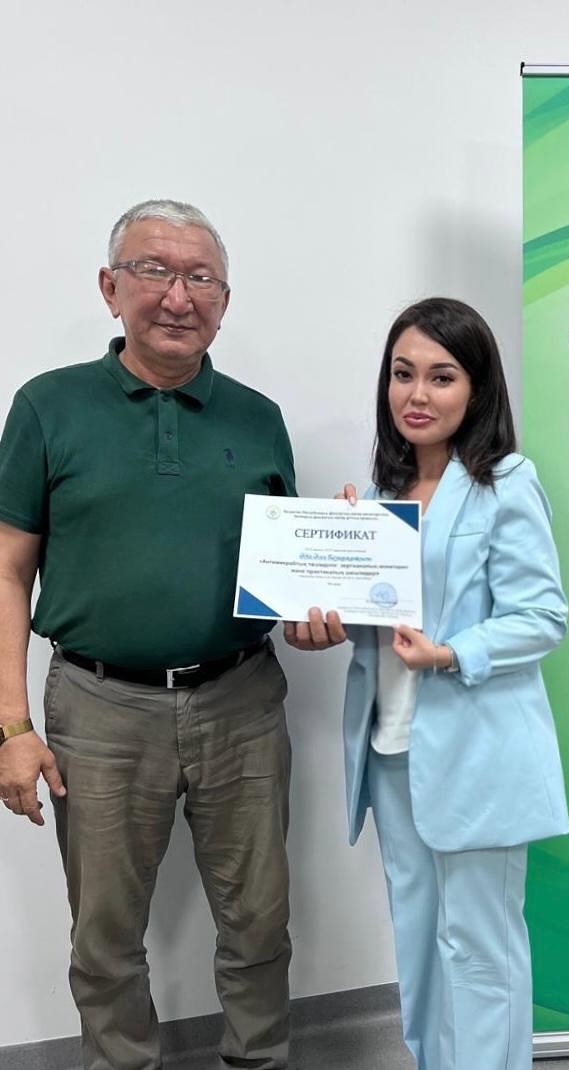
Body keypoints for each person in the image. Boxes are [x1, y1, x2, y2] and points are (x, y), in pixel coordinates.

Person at [0, 199, 343, 1070]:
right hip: (98, 710)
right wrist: (11, 726)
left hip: (242, 702)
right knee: (105, 935)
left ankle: (258, 1061)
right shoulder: (46, 407)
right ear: (109, 287)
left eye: (201, 278)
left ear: (225, 302)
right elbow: (6, 569)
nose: (178, 296)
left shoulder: (258, 418)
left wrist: (322, 606)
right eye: (153, 270)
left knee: (260, 921)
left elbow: (282, 573)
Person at [335, 297, 569, 1070]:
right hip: (391, 751)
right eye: (402, 374)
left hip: (477, 750)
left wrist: (451, 652)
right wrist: (331, 580)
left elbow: (542, 616)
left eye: (441, 377)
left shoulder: (505, 482)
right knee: (419, 939)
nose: (417, 394)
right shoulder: (379, 497)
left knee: (478, 946)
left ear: (476, 388)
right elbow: (374, 624)